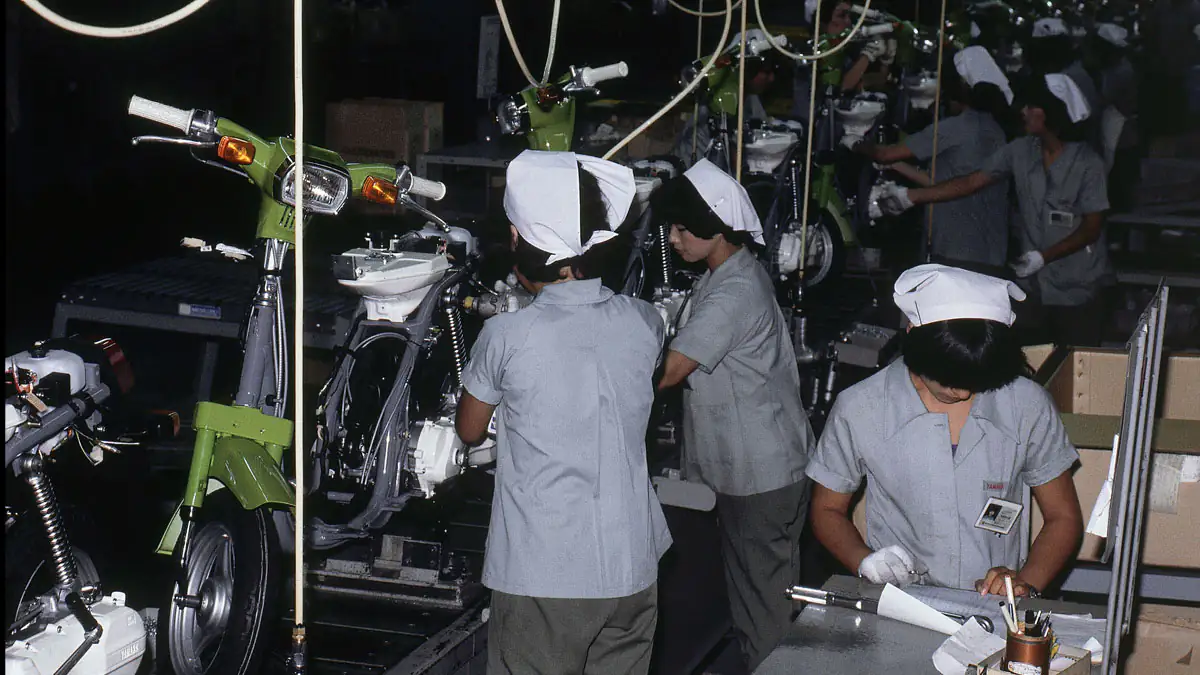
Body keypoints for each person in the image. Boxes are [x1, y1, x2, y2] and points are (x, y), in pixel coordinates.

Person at [455, 149, 672, 675]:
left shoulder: (505, 336)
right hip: (632, 567)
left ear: (517, 240)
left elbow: (469, 429)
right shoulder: (645, 322)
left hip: (545, 575)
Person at [806, 264, 1083, 598]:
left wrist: (1024, 584)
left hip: (994, 606)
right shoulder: (861, 408)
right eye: (950, 380)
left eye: (976, 379)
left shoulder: (1025, 405)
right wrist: (863, 560)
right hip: (902, 599)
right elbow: (827, 509)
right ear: (913, 336)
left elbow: (1062, 517)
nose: (963, 393)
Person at [653, 159, 815, 671]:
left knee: (763, 614)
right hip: (761, 468)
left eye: (683, 228)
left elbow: (669, 372)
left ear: (717, 227)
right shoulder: (729, 273)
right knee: (762, 601)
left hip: (759, 477)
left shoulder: (734, 291)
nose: (674, 239)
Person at [873, 74, 1111, 347]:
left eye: (1031, 107)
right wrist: (911, 197)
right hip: (1034, 289)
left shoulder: (1088, 163)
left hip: (1077, 287)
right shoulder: (1021, 151)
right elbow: (971, 182)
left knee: (1076, 358)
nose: (1024, 112)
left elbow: (1092, 228)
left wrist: (1044, 257)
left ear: (1048, 112)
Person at [855, 46, 1015, 276]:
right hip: (992, 253)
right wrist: (896, 165)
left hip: (956, 250)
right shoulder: (996, 130)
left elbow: (884, 154)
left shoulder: (954, 128)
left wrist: (855, 142)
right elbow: (942, 182)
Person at [792, 0, 892, 121]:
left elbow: (863, 82)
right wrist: (868, 55)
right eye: (841, 16)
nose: (848, 22)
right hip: (814, 126)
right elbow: (841, 88)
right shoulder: (810, 53)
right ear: (822, 23)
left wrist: (885, 60)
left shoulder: (844, 53)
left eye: (849, 16)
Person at [1091, 22, 1140, 212]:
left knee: (1118, 173)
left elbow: (1104, 99)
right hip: (1117, 126)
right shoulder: (1114, 68)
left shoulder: (1121, 71)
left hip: (1120, 128)